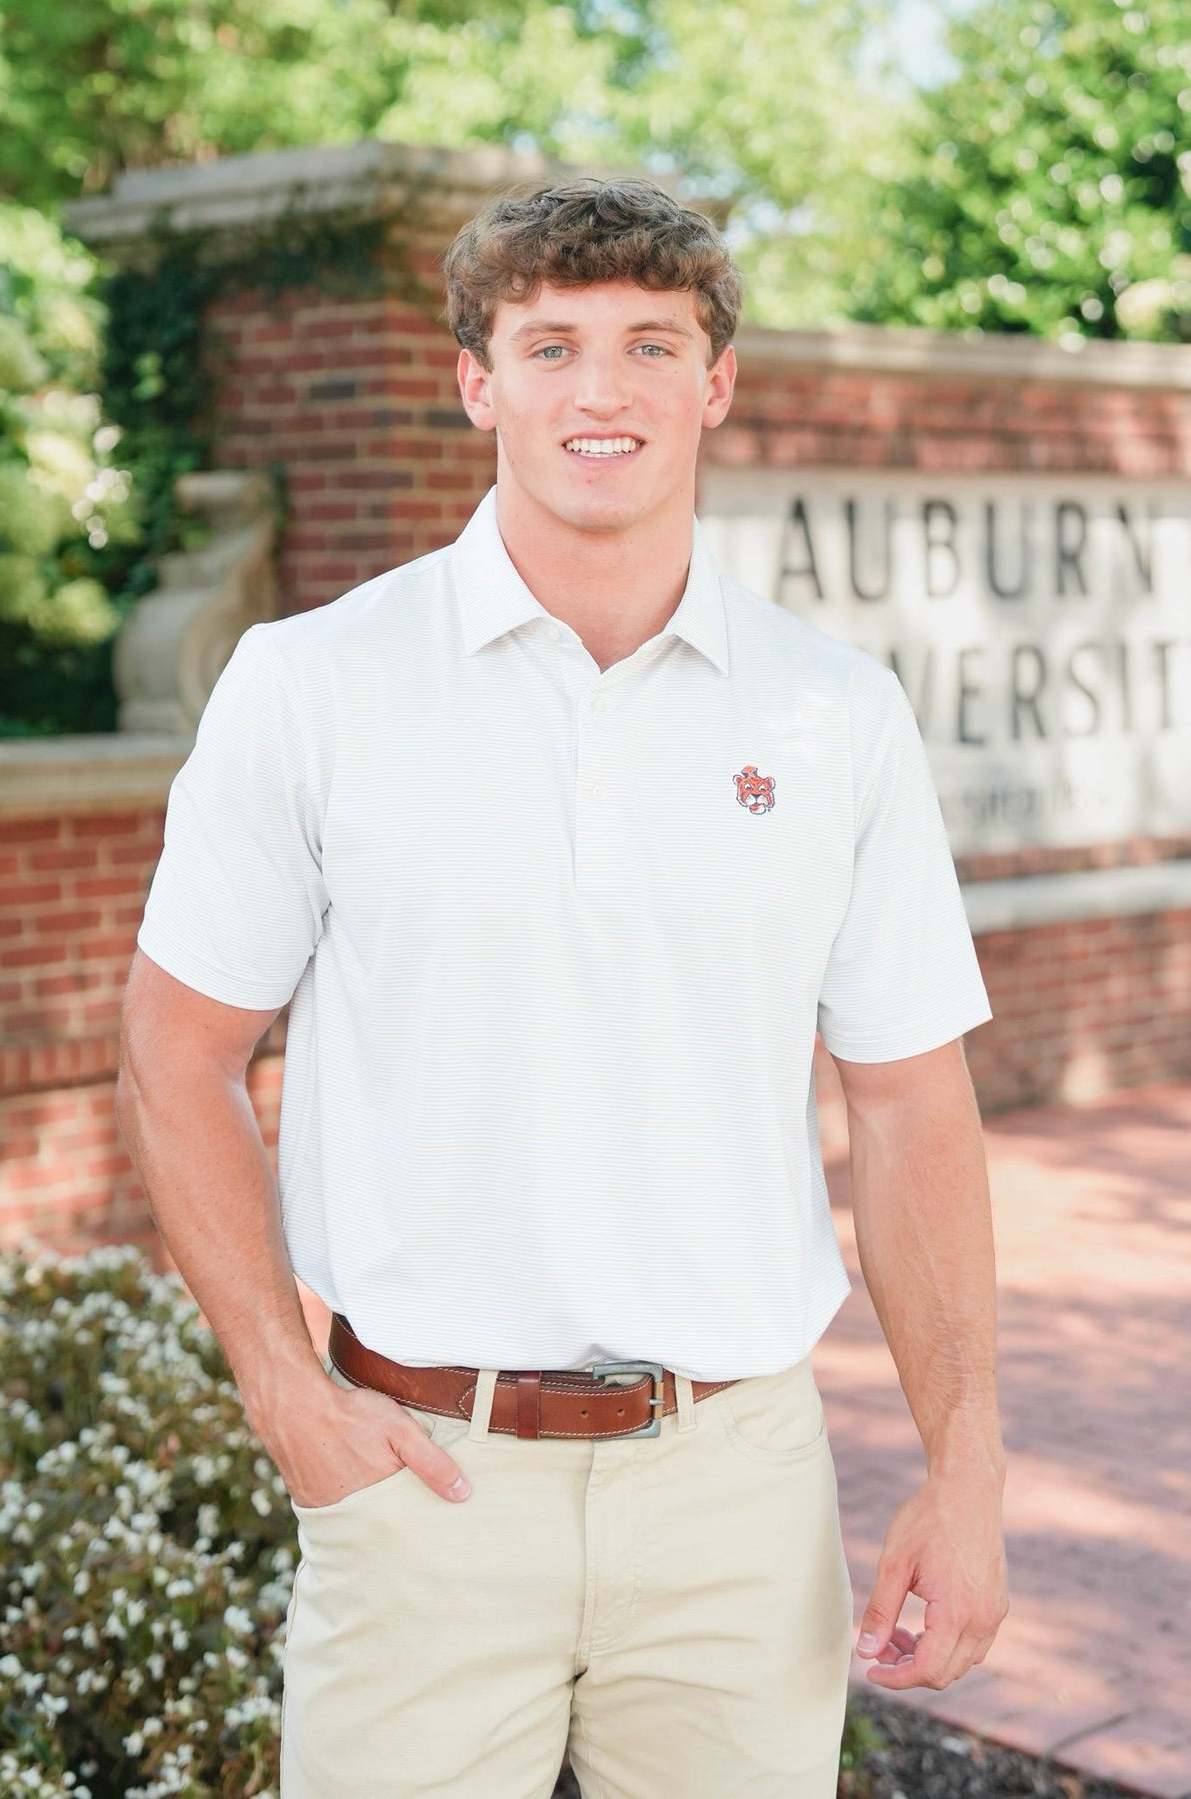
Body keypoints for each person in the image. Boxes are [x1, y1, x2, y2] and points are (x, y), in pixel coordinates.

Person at [117, 177, 1008, 1799]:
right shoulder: (315, 687)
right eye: (550, 347)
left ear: (716, 384)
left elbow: (911, 1101)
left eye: (650, 345)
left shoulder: (834, 713)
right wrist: (285, 1396)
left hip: (740, 1490)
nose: (601, 390)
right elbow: (177, 1057)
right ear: (480, 384)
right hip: (421, 1479)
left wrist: (969, 1468)